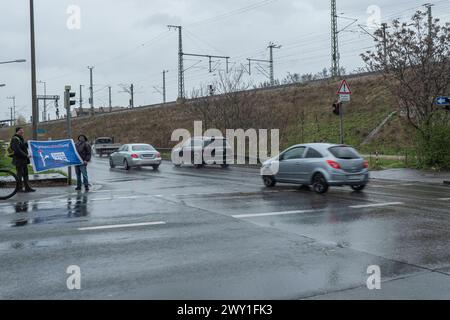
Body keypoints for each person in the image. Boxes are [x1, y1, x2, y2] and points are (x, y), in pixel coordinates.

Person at [10, 127, 36, 193]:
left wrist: (29, 143)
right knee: (20, 175)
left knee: (25, 174)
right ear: (17, 131)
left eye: (23, 130)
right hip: (19, 160)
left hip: (23, 160)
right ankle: (19, 189)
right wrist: (26, 155)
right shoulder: (15, 139)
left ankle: (27, 188)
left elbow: (22, 146)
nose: (22, 132)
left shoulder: (20, 138)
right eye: (21, 130)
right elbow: (17, 150)